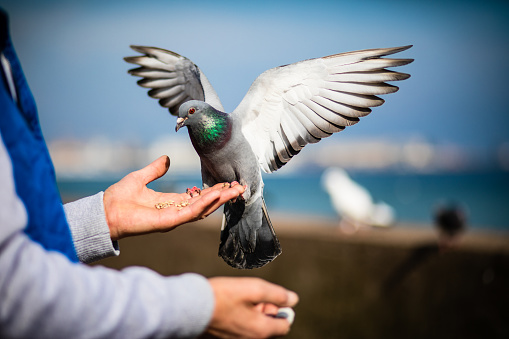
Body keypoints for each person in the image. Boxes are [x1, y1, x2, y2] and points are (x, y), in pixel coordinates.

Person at [0, 8, 298, 339]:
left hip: (250, 191)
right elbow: (17, 284)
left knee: (264, 79)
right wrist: (200, 307)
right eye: (183, 115)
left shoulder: (244, 115)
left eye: (189, 113)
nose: (182, 118)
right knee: (189, 74)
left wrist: (103, 217)